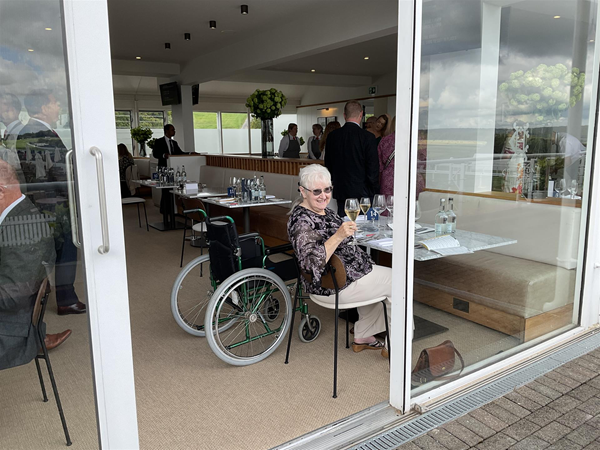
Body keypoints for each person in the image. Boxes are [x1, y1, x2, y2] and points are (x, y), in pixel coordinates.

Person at [287, 164, 392, 357]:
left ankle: (363, 336)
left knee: (377, 272)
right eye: (316, 191)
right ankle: (398, 344)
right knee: (398, 280)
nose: (323, 195)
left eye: (327, 189)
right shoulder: (301, 221)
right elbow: (310, 265)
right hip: (333, 285)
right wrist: (338, 236)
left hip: (346, 275)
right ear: (302, 191)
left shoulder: (323, 211)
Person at [17, 89, 86, 315]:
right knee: (66, 251)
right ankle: (66, 299)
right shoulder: (39, 132)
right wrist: (76, 197)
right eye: (55, 103)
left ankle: (42, 298)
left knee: (48, 253)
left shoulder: (26, 132)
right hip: (55, 205)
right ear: (44, 107)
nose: (58, 107)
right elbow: (59, 172)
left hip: (41, 203)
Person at [0, 160, 71, 371]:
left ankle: (38, 339)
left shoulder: (23, 230)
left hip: (10, 330)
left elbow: (11, 297)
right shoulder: (14, 216)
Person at [324, 100, 379, 217]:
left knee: (344, 225)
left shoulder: (332, 136)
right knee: (364, 228)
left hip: (341, 190)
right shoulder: (368, 137)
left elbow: (328, 164)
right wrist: (373, 191)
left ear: (344, 115)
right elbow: (373, 168)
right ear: (361, 115)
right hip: (363, 192)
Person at [0, 93, 26, 187]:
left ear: (13, 110)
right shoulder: (11, 131)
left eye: (2, 106)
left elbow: (16, 163)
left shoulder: (20, 132)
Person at [378, 117, 396, 197]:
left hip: (388, 178)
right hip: (409, 177)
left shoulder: (385, 140)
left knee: (387, 205)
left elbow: (379, 165)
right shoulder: (414, 140)